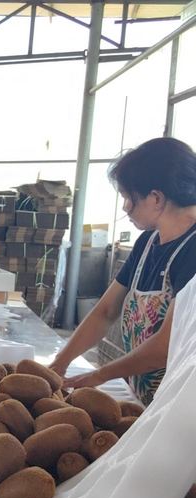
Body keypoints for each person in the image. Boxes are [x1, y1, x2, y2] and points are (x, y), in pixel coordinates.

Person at [49, 137, 196, 406]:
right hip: (144, 399)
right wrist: (59, 364)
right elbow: (105, 311)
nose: (125, 208)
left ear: (156, 198)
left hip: (181, 407)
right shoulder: (148, 241)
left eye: (129, 198)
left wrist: (100, 374)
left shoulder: (192, 250)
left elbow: (165, 345)